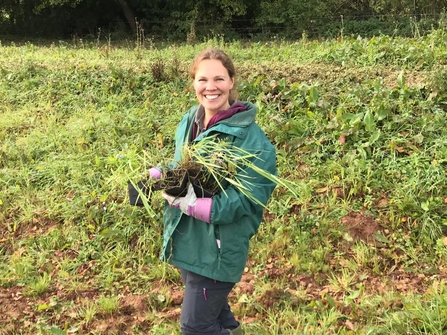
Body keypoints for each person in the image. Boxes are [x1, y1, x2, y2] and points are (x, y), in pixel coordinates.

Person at [137, 48, 277, 335]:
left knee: (195, 327)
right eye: (202, 80)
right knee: (216, 317)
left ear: (232, 81)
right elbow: (182, 165)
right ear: (193, 83)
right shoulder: (191, 119)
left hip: (217, 248)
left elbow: (249, 198)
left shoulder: (252, 139)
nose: (210, 87)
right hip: (188, 239)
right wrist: (158, 176)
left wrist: (195, 206)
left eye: (219, 79)